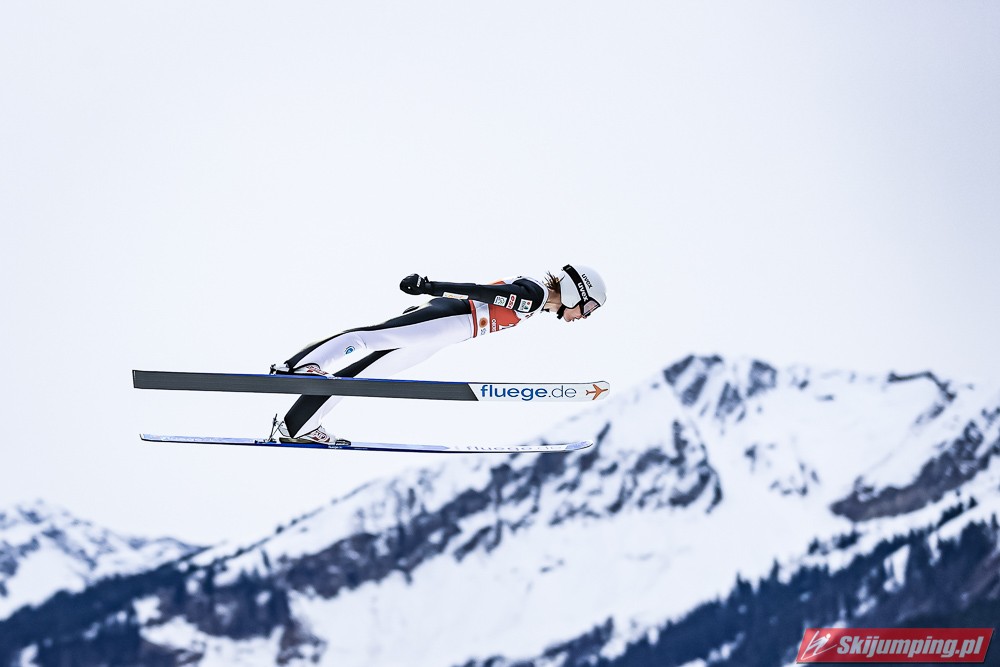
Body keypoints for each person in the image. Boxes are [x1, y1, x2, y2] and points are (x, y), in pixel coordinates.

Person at [270, 265, 608, 443]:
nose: (585, 315)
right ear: (576, 291)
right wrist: (430, 286)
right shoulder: (533, 295)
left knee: (361, 377)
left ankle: (297, 426)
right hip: (450, 318)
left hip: (449, 333)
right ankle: (299, 365)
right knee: (371, 338)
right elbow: (481, 292)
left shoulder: (535, 301)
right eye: (588, 307)